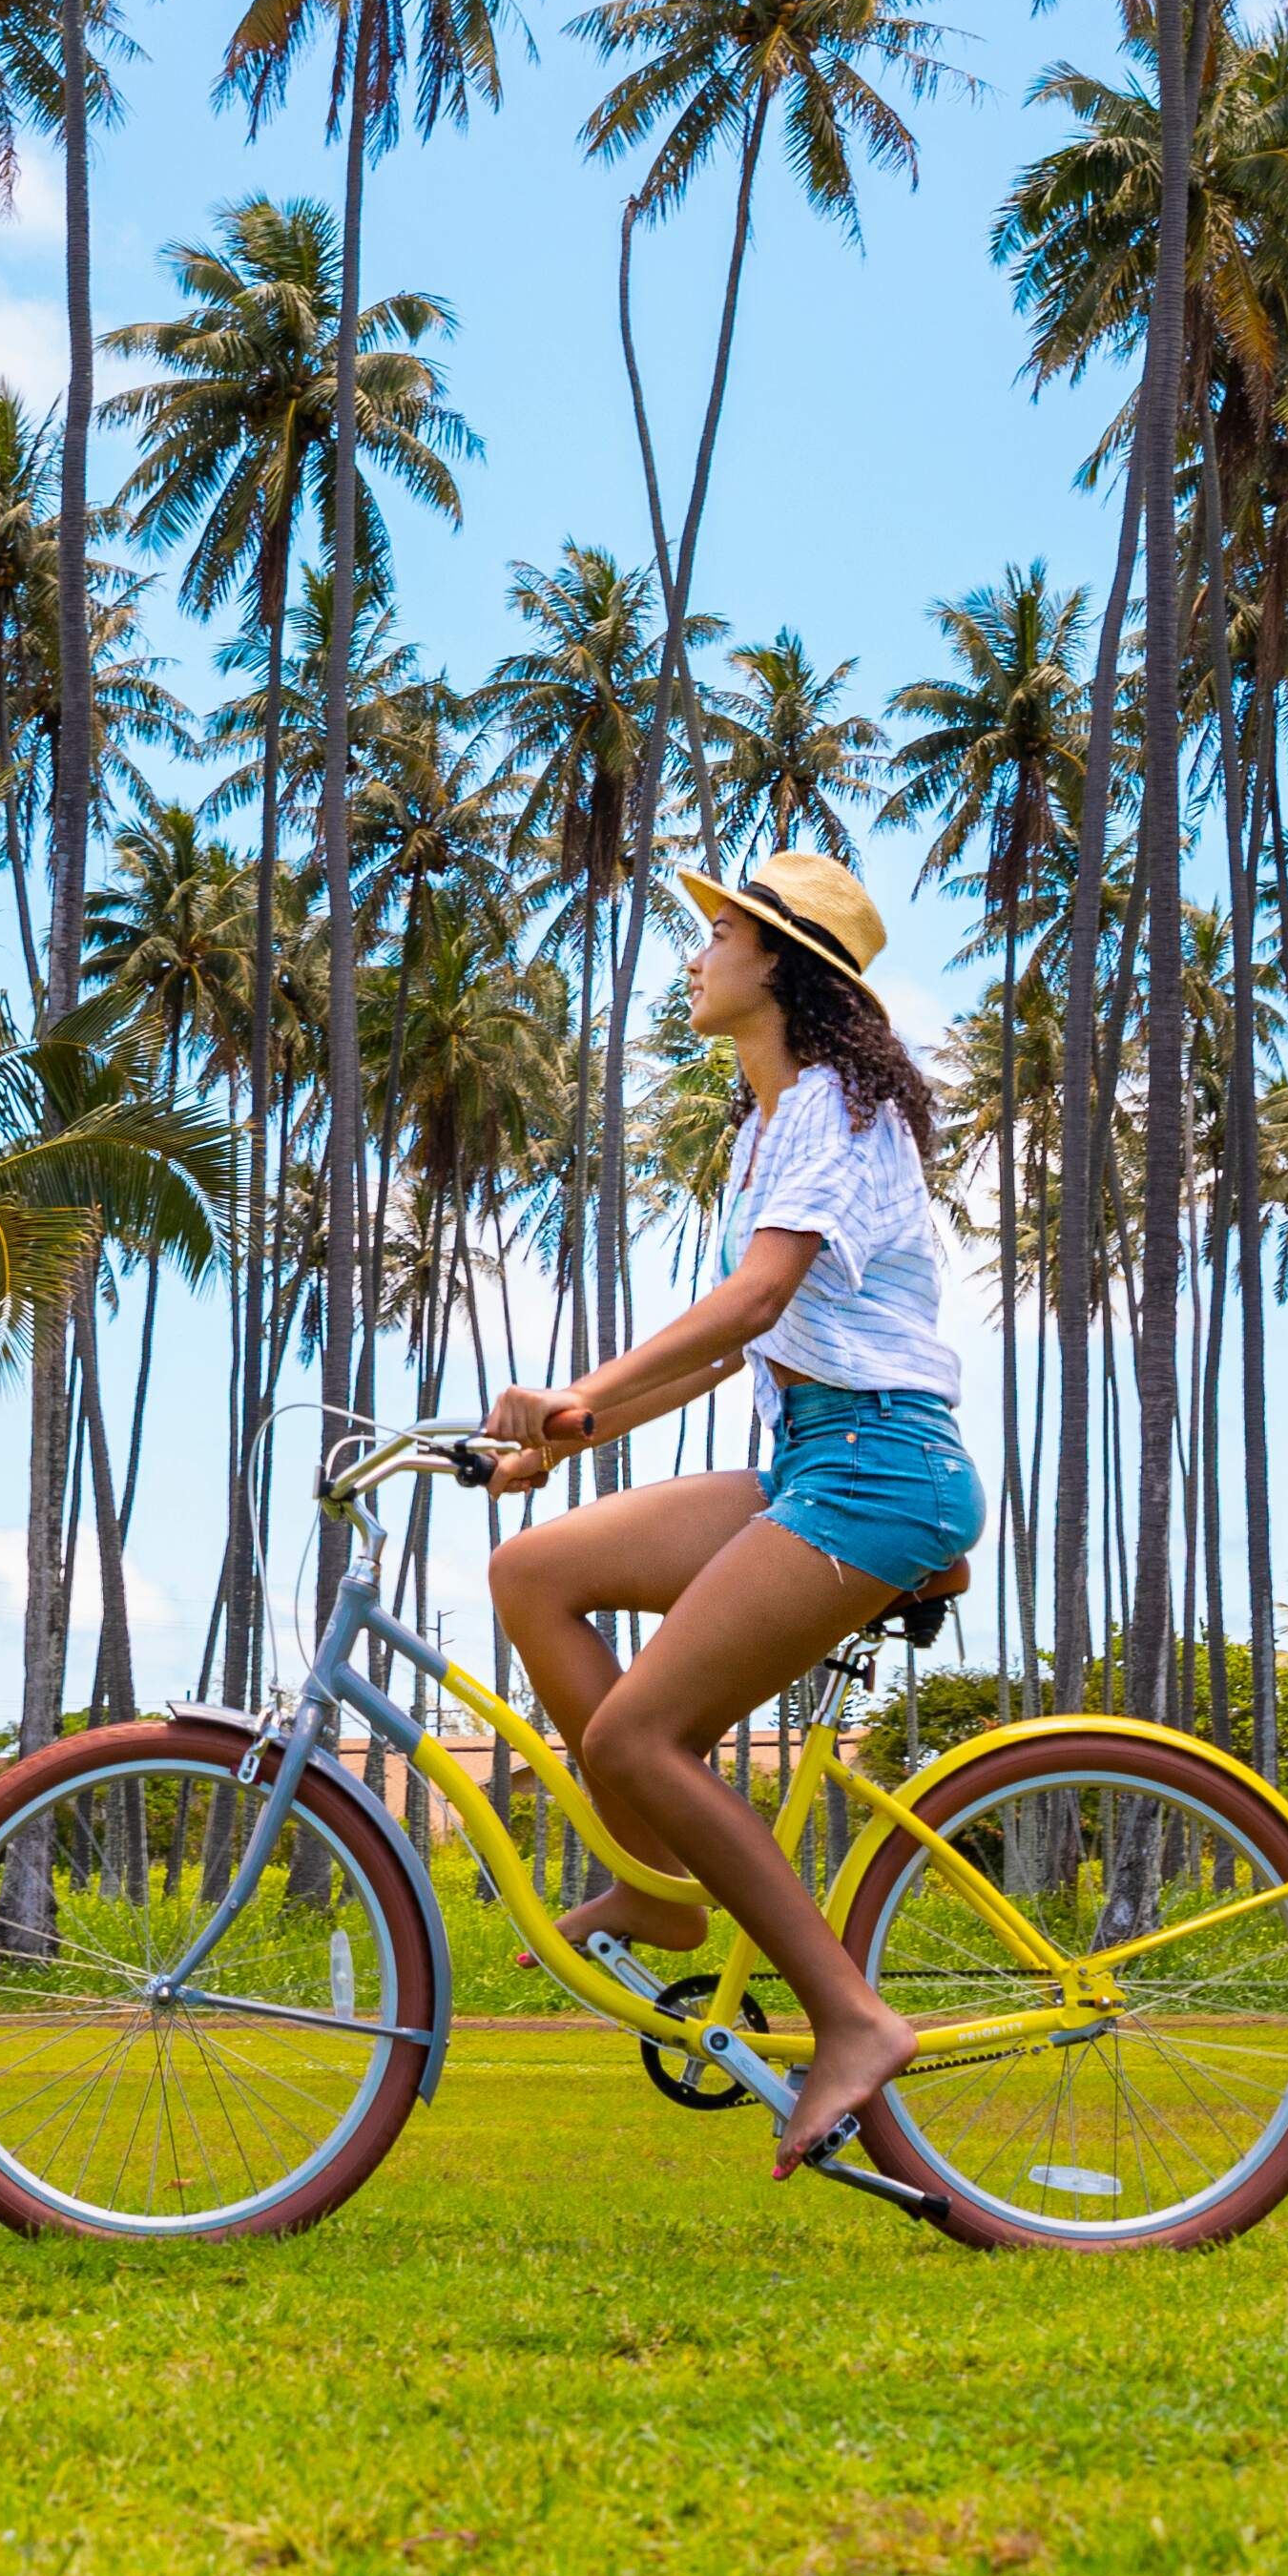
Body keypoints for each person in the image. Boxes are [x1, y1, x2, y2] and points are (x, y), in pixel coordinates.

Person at [483, 845, 987, 2180]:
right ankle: (661, 1890)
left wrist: (576, 1389)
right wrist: (568, 1438)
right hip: (818, 1457)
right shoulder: (767, 1130)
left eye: (718, 936)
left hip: (883, 1470)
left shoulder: (828, 1105)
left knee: (644, 1733)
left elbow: (755, 1305)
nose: (695, 955)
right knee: (533, 1571)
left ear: (781, 968)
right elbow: (730, 1355)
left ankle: (856, 2019)